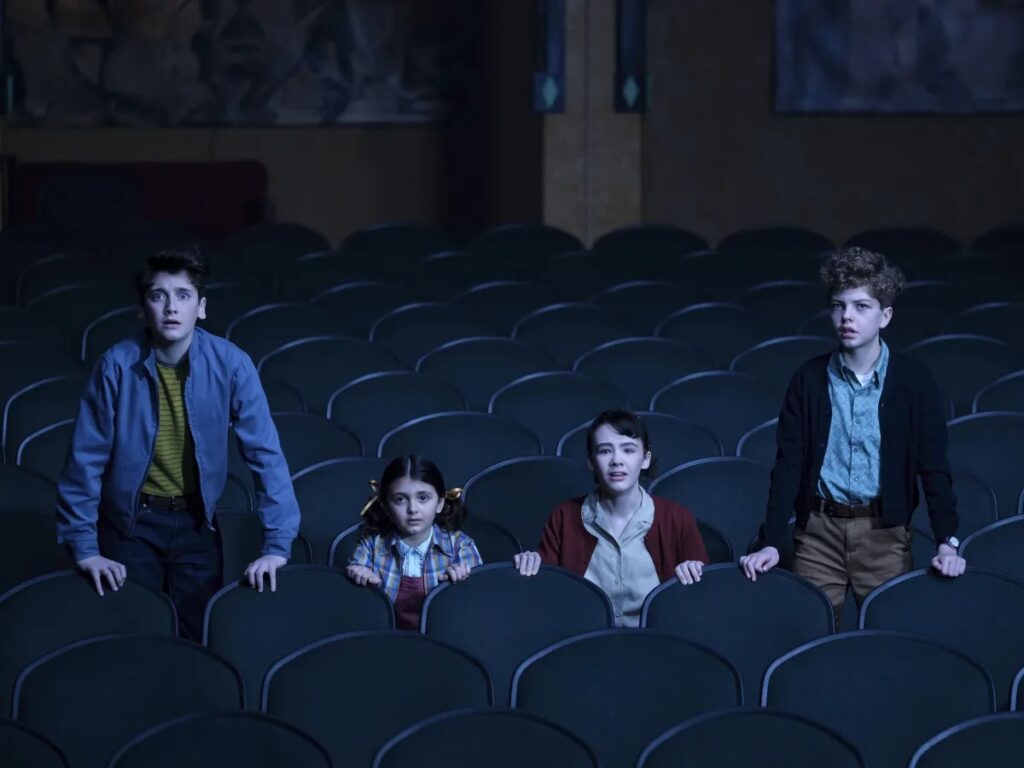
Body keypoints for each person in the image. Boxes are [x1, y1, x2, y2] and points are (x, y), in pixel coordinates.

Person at [56, 245, 300, 641]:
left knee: (197, 638)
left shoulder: (232, 364)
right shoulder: (116, 365)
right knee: (134, 637)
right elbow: (85, 459)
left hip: (197, 523)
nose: (171, 307)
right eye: (158, 296)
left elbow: (265, 454)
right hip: (130, 525)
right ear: (142, 309)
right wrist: (85, 548)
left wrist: (277, 545)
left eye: (183, 296)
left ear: (200, 308)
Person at [741, 247, 966, 624]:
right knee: (810, 634)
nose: (847, 316)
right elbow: (788, 466)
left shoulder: (915, 381)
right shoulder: (808, 379)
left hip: (885, 536)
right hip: (817, 533)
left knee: (890, 638)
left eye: (861, 306)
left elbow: (933, 467)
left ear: (885, 316)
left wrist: (947, 540)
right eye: (838, 306)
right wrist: (772, 541)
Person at [514, 410, 708, 627]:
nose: (616, 460)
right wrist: (531, 564)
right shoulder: (563, 516)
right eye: (605, 451)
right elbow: (547, 594)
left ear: (645, 459)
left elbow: (699, 599)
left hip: (656, 640)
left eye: (628, 450)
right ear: (591, 461)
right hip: (583, 639)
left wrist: (694, 572)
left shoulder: (676, 517)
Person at [347, 455, 482, 630]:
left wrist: (463, 582)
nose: (412, 509)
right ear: (386, 506)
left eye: (423, 498)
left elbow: (478, 609)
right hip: (385, 640)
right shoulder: (370, 545)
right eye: (400, 499)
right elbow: (357, 609)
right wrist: (357, 576)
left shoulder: (461, 546)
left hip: (444, 640)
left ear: (440, 503)